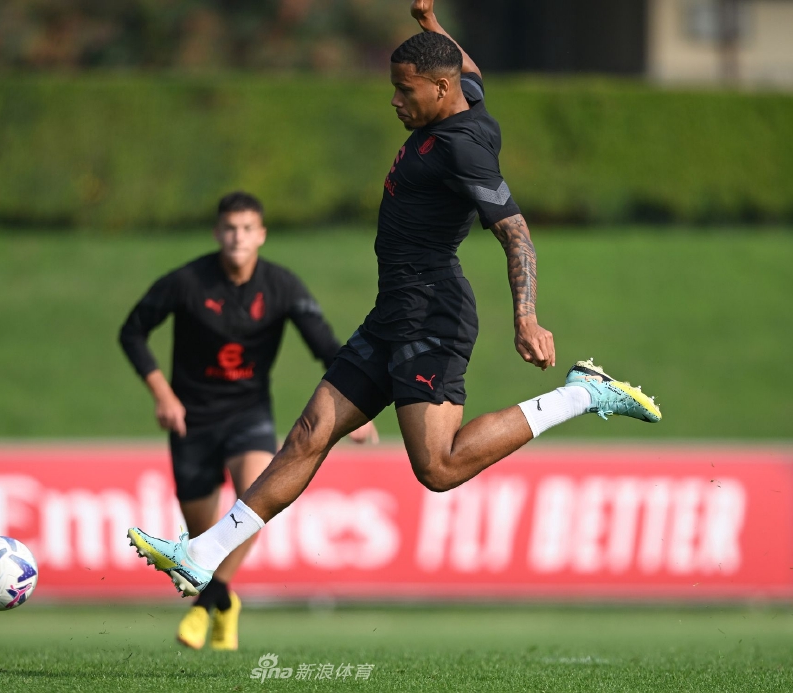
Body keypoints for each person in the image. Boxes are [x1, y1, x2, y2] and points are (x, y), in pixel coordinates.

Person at [127, 0, 660, 599]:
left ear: (439, 89)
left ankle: (580, 394)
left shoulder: (465, 148)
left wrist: (527, 317)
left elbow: (516, 233)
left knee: (439, 467)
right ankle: (201, 555)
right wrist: (432, 27)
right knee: (309, 433)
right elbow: (470, 69)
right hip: (393, 313)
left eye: (405, 90)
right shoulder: (464, 98)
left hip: (432, 315)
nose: (394, 100)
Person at [119, 191, 378, 649]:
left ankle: (205, 605)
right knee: (204, 539)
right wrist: (163, 395)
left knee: (253, 499)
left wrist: (355, 410)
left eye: (246, 229)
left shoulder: (282, 286)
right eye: (230, 228)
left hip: (249, 414)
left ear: (261, 235)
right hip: (191, 421)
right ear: (217, 233)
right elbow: (132, 332)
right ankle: (226, 602)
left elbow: (325, 346)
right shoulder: (186, 282)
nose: (238, 237)